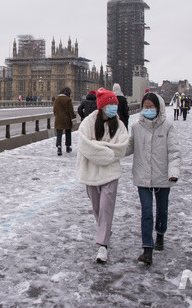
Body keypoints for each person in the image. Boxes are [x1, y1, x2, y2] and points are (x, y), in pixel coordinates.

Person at [126, 92, 181, 265]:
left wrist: (173, 172)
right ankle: (147, 249)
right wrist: (109, 151)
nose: (147, 110)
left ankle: (161, 233)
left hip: (163, 175)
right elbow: (128, 147)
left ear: (158, 107)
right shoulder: (136, 126)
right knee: (147, 212)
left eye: (151, 107)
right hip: (143, 176)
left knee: (162, 210)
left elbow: (174, 151)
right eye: (145, 107)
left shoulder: (168, 126)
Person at [76, 88, 129, 264]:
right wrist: (106, 150)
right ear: (102, 106)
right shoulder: (88, 123)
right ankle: (105, 230)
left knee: (106, 207)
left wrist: (97, 147)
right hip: (90, 171)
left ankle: (102, 245)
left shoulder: (119, 125)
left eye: (115, 104)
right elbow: (84, 145)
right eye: (111, 104)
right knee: (97, 207)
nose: (114, 107)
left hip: (110, 172)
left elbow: (122, 147)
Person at [53, 87, 76, 155]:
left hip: (58, 119)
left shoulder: (56, 99)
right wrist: (73, 119)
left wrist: (57, 116)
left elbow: (54, 110)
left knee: (59, 134)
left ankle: (59, 148)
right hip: (67, 119)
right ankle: (68, 147)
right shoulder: (68, 100)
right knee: (68, 133)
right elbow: (71, 111)